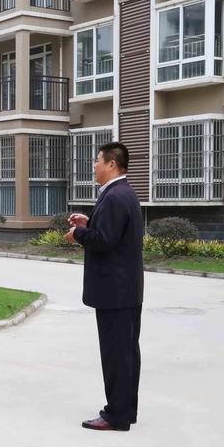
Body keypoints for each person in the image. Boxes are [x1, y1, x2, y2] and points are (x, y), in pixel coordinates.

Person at [65, 142, 144, 432]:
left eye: (98, 160)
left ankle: (115, 416)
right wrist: (90, 222)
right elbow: (112, 232)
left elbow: (104, 241)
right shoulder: (124, 192)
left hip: (115, 292)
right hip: (126, 290)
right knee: (127, 353)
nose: (94, 165)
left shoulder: (114, 196)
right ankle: (125, 411)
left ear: (112, 164)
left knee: (116, 355)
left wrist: (78, 233)